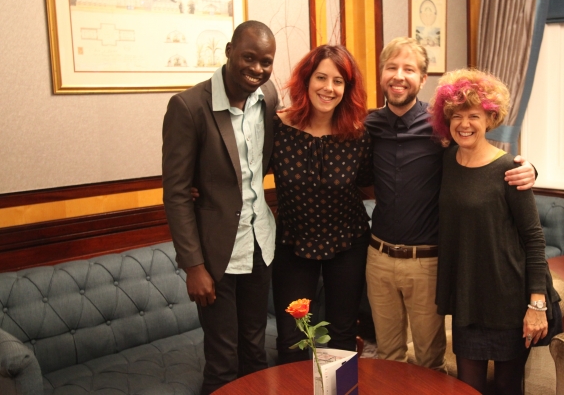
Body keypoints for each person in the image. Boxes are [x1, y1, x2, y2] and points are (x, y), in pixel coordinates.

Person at [363, 37, 536, 372]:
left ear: (422, 79)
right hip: (378, 258)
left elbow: (479, 157)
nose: (399, 76)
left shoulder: (440, 127)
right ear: (381, 74)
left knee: (429, 359)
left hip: (426, 262)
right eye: (392, 67)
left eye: (409, 69)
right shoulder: (369, 125)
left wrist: (527, 169)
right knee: (387, 357)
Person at [162, 21, 279, 394]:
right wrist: (193, 266)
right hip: (215, 256)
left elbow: (264, 163)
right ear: (228, 51)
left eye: (266, 61)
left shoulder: (269, 97)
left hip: (260, 244)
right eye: (249, 57)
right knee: (223, 361)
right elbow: (177, 192)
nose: (257, 69)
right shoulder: (188, 106)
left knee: (256, 351)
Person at [430, 68, 562, 394]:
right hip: (467, 298)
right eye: (456, 115)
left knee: (507, 387)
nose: (464, 123)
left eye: (474, 115)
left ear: (490, 118)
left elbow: (533, 239)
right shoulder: (446, 161)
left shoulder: (511, 170)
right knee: (468, 387)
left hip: (508, 300)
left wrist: (536, 305)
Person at [271, 44, 373, 363]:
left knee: (341, 332)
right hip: (293, 241)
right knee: (293, 334)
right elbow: (242, 170)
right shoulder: (278, 128)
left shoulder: (358, 133)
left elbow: (373, 182)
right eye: (321, 77)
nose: (328, 88)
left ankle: (342, 389)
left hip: (348, 241)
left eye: (338, 81)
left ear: (347, 88)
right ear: (306, 80)